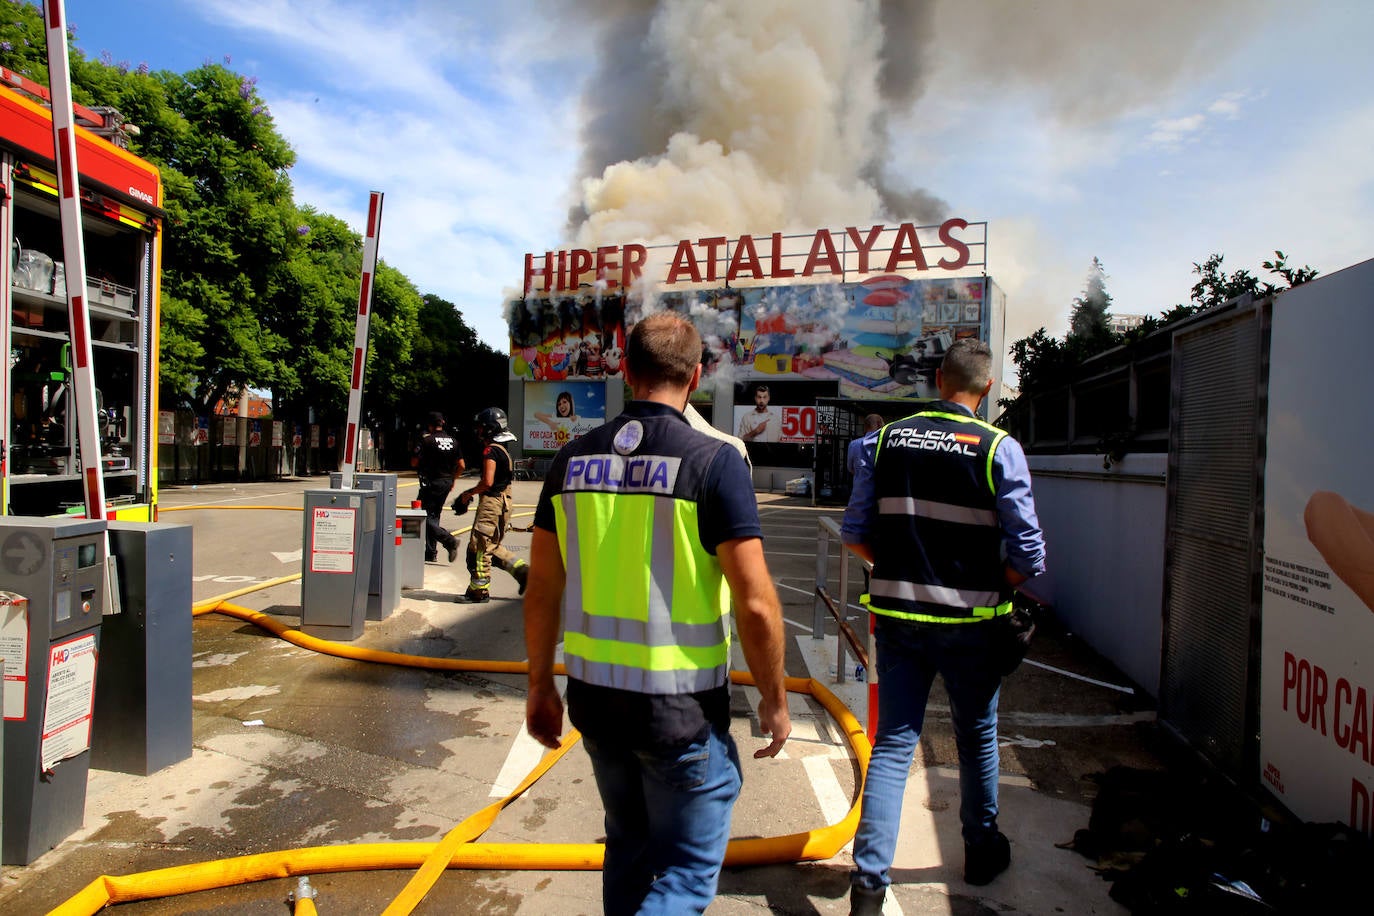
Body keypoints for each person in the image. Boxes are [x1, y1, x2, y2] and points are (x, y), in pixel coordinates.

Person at [523, 312, 791, 915]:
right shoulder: (715, 461)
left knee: (630, 849)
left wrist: (541, 685)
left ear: (625, 370)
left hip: (594, 702)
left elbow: (540, 590)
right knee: (686, 875)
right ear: (696, 375)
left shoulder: (570, 461)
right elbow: (755, 601)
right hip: (682, 713)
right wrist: (774, 698)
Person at [840, 338, 1046, 913]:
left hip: (899, 620)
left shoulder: (877, 443)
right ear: (987, 389)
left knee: (894, 742)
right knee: (976, 735)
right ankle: (981, 850)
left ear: (936, 379)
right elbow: (1029, 555)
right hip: (974, 624)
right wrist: (992, 583)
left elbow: (853, 532)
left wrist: (904, 570)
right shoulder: (998, 449)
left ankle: (868, 881)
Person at [453, 407, 529, 602]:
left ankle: (479, 591)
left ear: (489, 428)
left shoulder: (490, 450)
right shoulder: (503, 449)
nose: (478, 431)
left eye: (481, 428)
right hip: (504, 503)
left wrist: (467, 494)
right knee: (492, 546)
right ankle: (524, 574)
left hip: (491, 504)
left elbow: (487, 481)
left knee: (480, 547)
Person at [411, 411, 463, 563]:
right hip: (446, 482)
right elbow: (462, 465)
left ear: (430, 425)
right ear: (442, 423)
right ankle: (431, 552)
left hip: (431, 483)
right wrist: (453, 479)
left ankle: (449, 540)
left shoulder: (427, 441)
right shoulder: (453, 441)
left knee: (421, 515)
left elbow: (414, 462)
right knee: (434, 515)